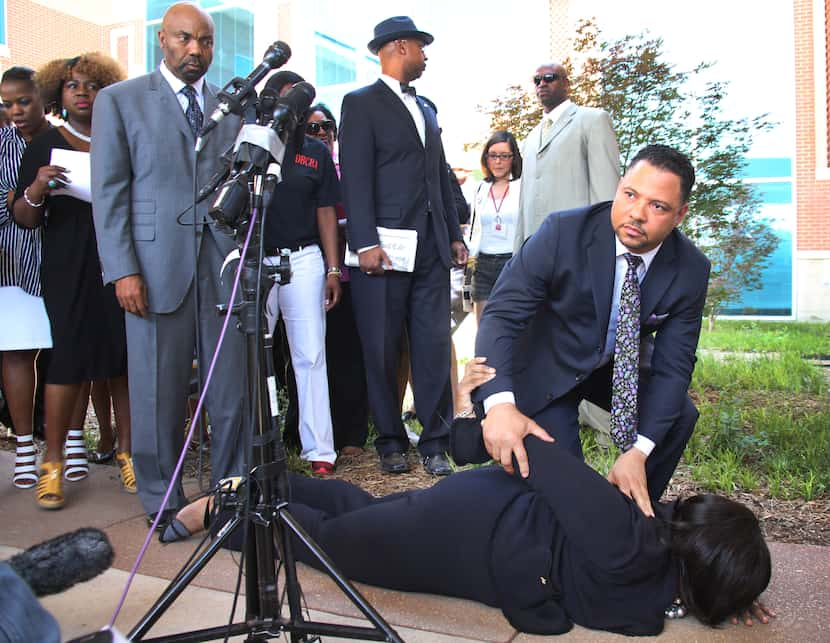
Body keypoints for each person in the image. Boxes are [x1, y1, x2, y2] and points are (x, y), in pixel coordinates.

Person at [160, 358, 772, 637]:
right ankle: (224, 515)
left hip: (475, 535)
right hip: (472, 521)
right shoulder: (641, 563)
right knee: (334, 547)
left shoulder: (649, 560)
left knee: (361, 520)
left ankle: (257, 487)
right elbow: (540, 463)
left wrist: (730, 587)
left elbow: (546, 459)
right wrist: (473, 428)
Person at [475, 145, 711, 516]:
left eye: (658, 206)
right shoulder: (562, 232)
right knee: (565, 493)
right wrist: (500, 404)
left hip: (612, 368)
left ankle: (628, 519)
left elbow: (674, 366)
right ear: (618, 187)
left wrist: (639, 450)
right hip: (545, 367)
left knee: (679, 414)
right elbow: (502, 316)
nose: (637, 213)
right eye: (630, 194)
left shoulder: (690, 269)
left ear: (680, 214)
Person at [91, 3, 247, 527]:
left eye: (205, 42)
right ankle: (163, 502)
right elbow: (110, 192)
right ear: (163, 39)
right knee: (158, 389)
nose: (196, 51)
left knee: (230, 387)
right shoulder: (120, 100)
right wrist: (123, 269)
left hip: (221, 266)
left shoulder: (232, 108)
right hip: (154, 270)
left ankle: (228, 498)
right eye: (185, 39)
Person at [338, 16, 467, 475]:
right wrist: (365, 241)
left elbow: (441, 175)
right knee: (382, 346)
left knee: (432, 346)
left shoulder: (428, 108)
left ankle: (435, 441)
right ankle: (390, 440)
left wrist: (453, 232)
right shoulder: (359, 103)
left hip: (431, 250)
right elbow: (354, 178)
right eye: (420, 46)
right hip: (384, 251)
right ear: (398, 47)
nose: (425, 55)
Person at [13, 53, 133, 509]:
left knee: (123, 359)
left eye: (92, 85)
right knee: (65, 359)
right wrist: (38, 187)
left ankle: (128, 452)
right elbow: (24, 217)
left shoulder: (118, 138)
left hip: (119, 259)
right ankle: (53, 462)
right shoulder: (45, 141)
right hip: (67, 263)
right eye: (72, 85)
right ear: (57, 93)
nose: (82, 92)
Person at [261, 77, 341, 476]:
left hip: (305, 259)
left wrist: (332, 267)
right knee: (253, 358)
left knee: (309, 355)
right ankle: (258, 443)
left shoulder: (314, 152)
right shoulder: (253, 143)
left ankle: (320, 450)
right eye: (284, 94)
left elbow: (327, 210)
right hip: (255, 259)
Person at [307, 102, 370, 457]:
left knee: (349, 357)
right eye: (312, 128)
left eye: (326, 127)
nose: (320, 134)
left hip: (347, 277)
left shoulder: (349, 171)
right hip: (306, 275)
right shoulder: (297, 170)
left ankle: (352, 435)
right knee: (313, 358)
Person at [0, 67, 52, 491]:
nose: (15, 111)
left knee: (69, 356)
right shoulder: (2, 145)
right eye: (8, 103)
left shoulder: (65, 139)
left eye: (24, 101)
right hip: (14, 264)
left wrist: (22, 197)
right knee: (17, 354)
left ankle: (66, 441)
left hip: (64, 256)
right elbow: (5, 206)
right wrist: (18, 198)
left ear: (43, 97)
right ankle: (23, 446)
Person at [513, 62, 620, 252]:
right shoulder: (530, 138)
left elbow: (606, 194)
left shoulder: (593, 120)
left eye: (549, 78)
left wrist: (600, 248)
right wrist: (519, 253)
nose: (542, 84)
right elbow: (523, 204)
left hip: (576, 247)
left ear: (566, 83)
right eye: (537, 80)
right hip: (534, 252)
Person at [468, 131, 522, 324]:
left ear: (513, 158)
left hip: (513, 263)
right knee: (483, 330)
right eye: (493, 155)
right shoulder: (479, 188)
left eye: (504, 156)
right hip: (483, 265)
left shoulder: (522, 187)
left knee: (512, 327)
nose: (498, 161)